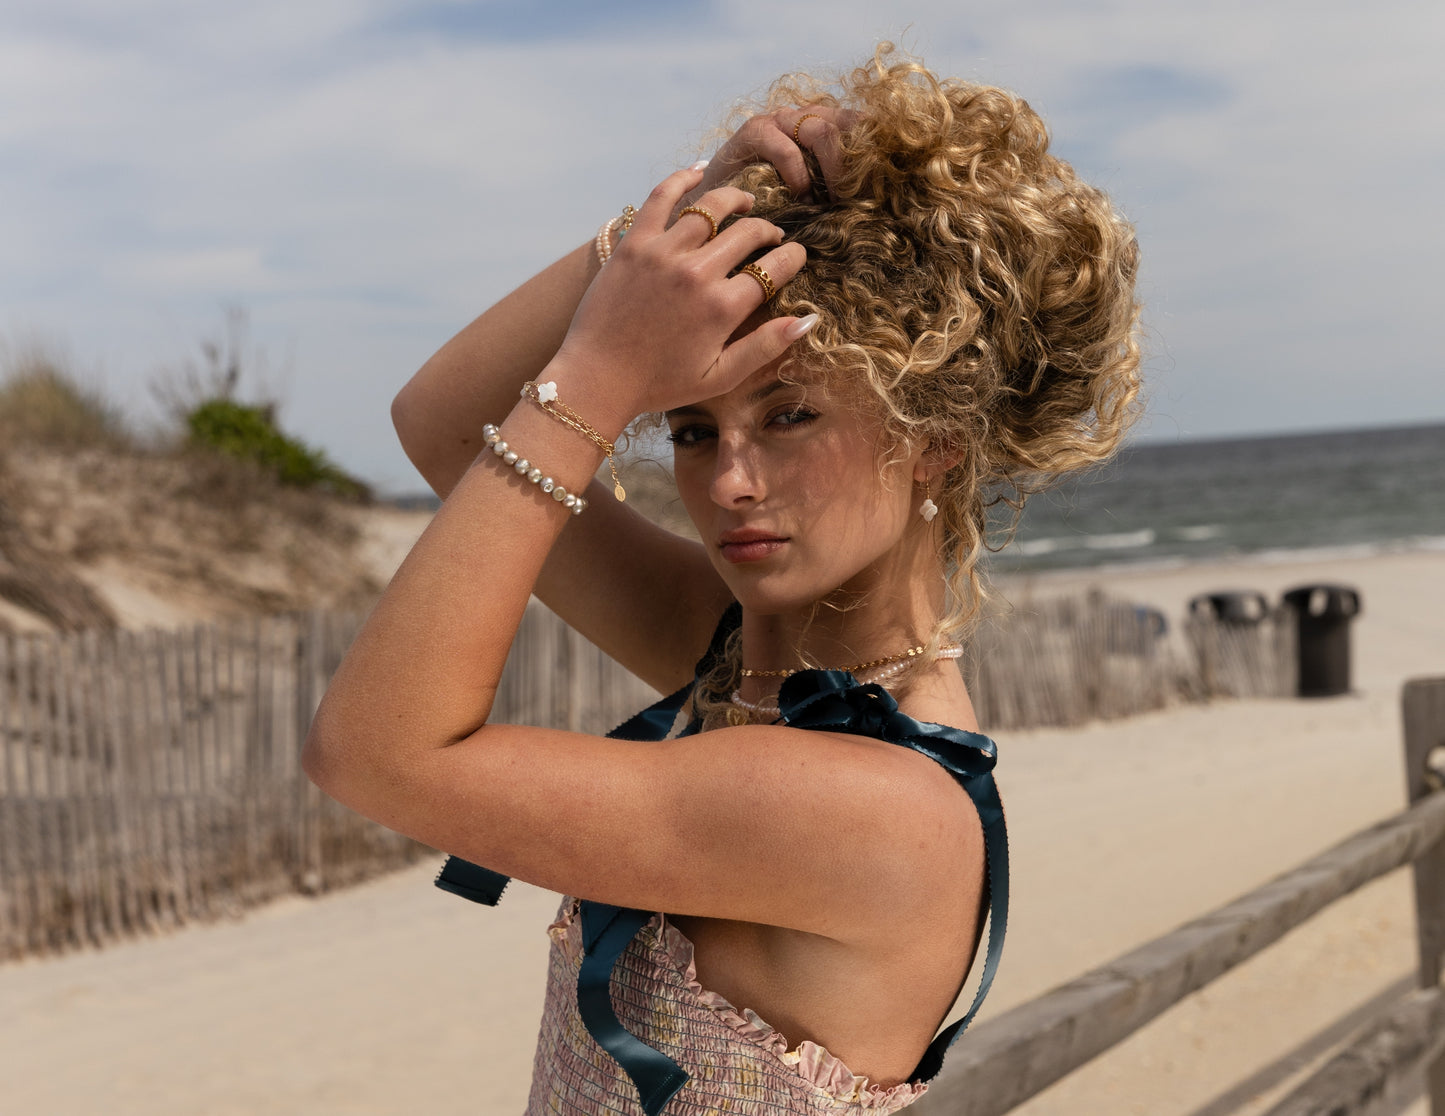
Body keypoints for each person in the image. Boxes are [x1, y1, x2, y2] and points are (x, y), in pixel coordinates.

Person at [304, 44, 1140, 1115]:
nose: (730, 482)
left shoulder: (876, 805)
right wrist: (687, 214)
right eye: (692, 430)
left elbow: (372, 754)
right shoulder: (744, 655)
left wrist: (604, 368)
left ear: (935, 439)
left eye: (789, 415)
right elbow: (442, 427)